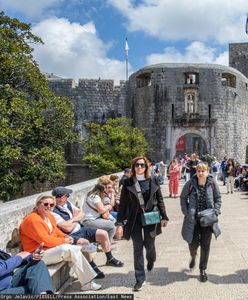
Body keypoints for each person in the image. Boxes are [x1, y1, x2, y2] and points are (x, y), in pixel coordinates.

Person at [20, 194, 101, 291]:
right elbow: (45, 240)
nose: (49, 207)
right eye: (46, 204)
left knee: (74, 249)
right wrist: (64, 240)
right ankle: (88, 281)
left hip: (49, 250)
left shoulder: (48, 216)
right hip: (36, 255)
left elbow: (55, 231)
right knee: (69, 249)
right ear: (38, 204)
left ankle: (87, 281)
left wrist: (67, 236)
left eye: (51, 205)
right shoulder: (33, 219)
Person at [115, 156, 169, 292]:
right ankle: (140, 278)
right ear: (133, 167)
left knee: (149, 245)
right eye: (137, 165)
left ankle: (151, 257)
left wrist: (164, 216)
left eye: (142, 165)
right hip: (134, 220)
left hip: (151, 217)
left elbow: (160, 199)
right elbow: (123, 204)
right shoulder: (128, 182)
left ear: (147, 167)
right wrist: (119, 223)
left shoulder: (153, 179)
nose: (139, 167)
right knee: (137, 247)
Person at [51, 186, 123, 270]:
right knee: (85, 243)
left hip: (80, 228)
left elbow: (82, 213)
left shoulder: (67, 203)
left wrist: (72, 220)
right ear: (62, 198)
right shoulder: (53, 212)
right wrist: (76, 219)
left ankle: (110, 258)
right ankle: (92, 266)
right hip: (70, 234)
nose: (68, 197)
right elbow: (67, 229)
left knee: (103, 234)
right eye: (67, 195)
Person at [180, 163, 221, 282]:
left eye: (203, 171)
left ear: (208, 172)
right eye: (198, 171)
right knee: (192, 244)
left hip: (208, 220)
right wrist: (186, 211)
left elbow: (218, 198)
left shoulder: (212, 184)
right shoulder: (190, 184)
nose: (200, 173)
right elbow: (183, 198)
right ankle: (193, 255)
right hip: (193, 219)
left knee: (205, 246)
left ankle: (202, 269)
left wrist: (216, 211)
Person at [82, 184, 121, 249]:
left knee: (112, 221)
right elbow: (101, 210)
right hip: (91, 221)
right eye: (104, 192)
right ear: (101, 191)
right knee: (112, 226)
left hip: (89, 219)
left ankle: (104, 243)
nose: (105, 193)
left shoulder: (90, 195)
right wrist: (108, 206)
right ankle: (107, 245)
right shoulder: (95, 198)